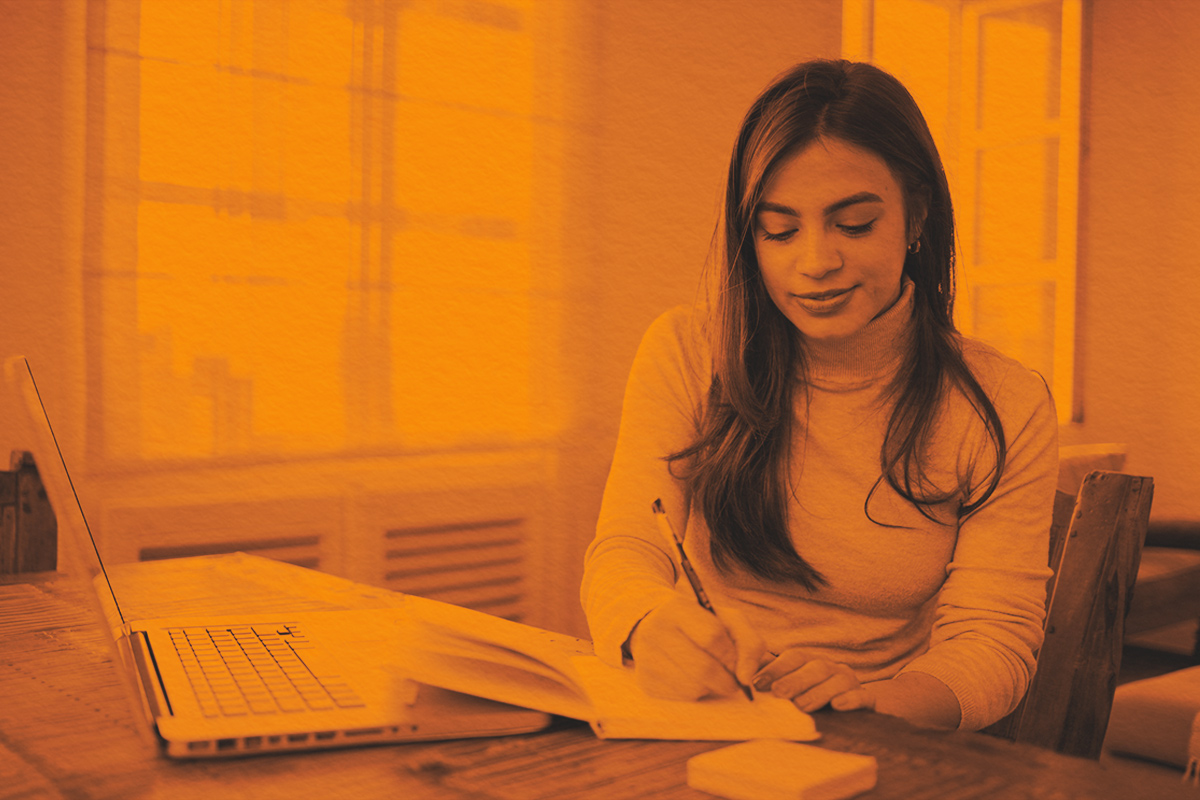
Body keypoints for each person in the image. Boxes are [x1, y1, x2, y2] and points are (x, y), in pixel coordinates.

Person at [580, 59, 1058, 732]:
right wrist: (648, 622)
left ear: (916, 215)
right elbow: (626, 548)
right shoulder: (690, 351)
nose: (814, 263)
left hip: (878, 732)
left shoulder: (1001, 403)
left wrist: (875, 702)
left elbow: (994, 641)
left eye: (854, 224)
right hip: (706, 716)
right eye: (779, 231)